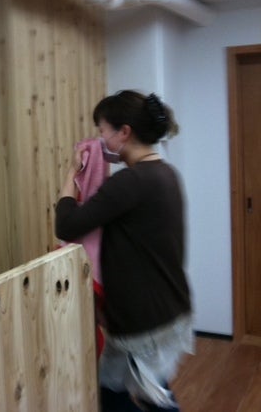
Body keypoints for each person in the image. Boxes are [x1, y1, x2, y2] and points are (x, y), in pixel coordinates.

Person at [55, 90, 193, 411]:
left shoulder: (131, 182)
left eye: (102, 130)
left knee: (150, 399)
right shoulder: (165, 173)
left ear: (124, 132)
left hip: (145, 322)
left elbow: (67, 225)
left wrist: (72, 173)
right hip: (167, 307)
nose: (99, 139)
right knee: (115, 390)